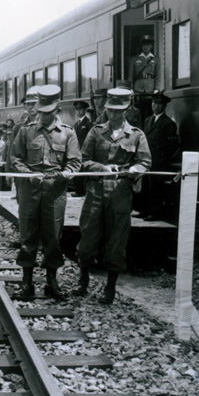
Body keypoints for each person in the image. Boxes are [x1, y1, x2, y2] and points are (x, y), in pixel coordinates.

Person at [74, 88, 151, 304]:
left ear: (126, 110)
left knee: (117, 240)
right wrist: (101, 168)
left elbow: (145, 161)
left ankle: (110, 288)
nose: (114, 115)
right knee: (88, 235)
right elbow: (83, 159)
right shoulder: (96, 132)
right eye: (110, 110)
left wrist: (137, 170)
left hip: (121, 192)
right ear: (106, 109)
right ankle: (83, 282)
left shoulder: (136, 134)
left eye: (118, 111)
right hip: (96, 190)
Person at [10, 85, 82, 301]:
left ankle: (52, 282)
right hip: (30, 191)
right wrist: (27, 173)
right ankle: (27, 282)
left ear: (56, 110)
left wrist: (67, 173)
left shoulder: (68, 133)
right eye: (40, 112)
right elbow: (15, 158)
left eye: (47, 112)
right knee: (27, 236)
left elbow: (75, 160)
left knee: (53, 237)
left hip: (54, 192)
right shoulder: (26, 130)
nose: (42, 116)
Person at [140, 92, 179, 221]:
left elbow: (172, 146)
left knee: (156, 188)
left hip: (158, 161)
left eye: (159, 104)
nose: (155, 106)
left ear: (164, 106)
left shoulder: (168, 124)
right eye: (154, 103)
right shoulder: (147, 120)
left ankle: (155, 213)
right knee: (145, 186)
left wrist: (162, 159)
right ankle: (145, 210)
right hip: (147, 159)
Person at [131, 35, 163, 122]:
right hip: (138, 89)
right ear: (141, 46)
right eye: (144, 45)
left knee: (150, 111)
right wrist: (131, 88)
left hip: (150, 89)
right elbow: (131, 75)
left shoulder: (156, 59)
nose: (146, 47)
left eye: (148, 45)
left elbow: (158, 75)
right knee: (138, 112)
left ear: (151, 46)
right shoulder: (134, 59)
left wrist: (157, 88)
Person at [73, 100, 92, 197]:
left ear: (85, 110)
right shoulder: (76, 124)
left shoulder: (87, 123)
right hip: (77, 150)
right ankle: (78, 190)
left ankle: (82, 191)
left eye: (80, 109)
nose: (78, 111)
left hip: (84, 150)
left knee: (83, 170)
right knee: (78, 169)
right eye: (77, 109)